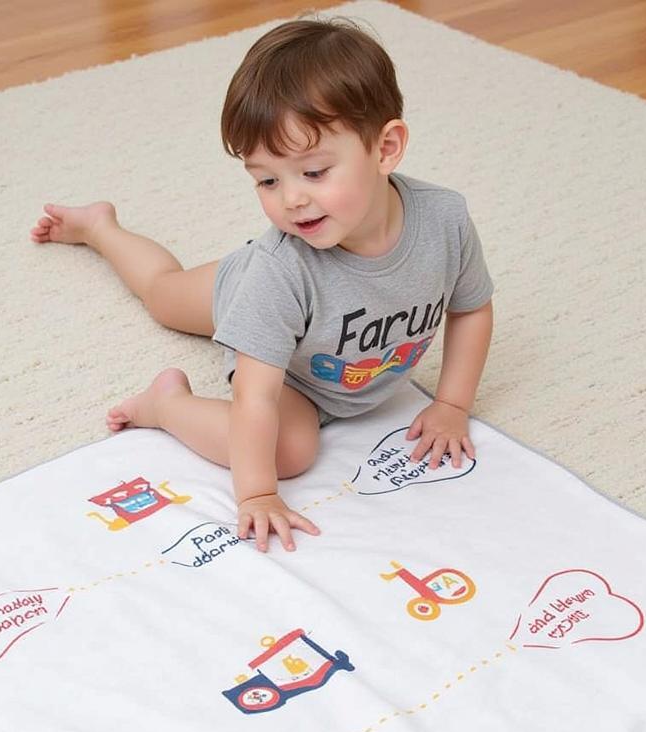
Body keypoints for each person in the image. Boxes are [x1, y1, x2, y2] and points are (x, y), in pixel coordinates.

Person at [29, 13, 495, 553]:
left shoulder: (445, 220)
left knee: (176, 295)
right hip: (275, 336)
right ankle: (156, 381)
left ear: (386, 148)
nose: (291, 200)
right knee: (166, 298)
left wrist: (452, 405)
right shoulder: (281, 269)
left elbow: (471, 308)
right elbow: (254, 396)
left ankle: (101, 226)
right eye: (268, 180)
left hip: (308, 328)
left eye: (314, 172)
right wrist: (256, 495)